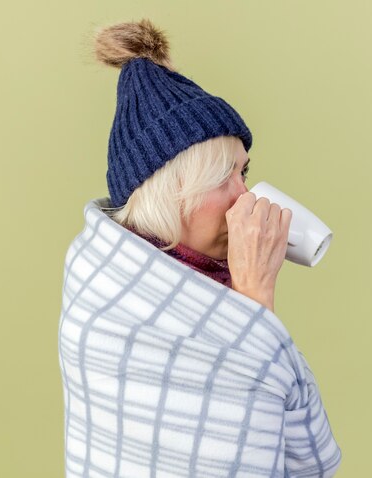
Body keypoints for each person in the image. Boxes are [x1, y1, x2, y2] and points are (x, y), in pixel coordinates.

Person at [58, 18, 342, 477]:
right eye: (221, 179)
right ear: (165, 195)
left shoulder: (208, 277)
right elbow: (242, 457)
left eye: (243, 173)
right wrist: (253, 298)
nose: (245, 198)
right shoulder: (107, 299)